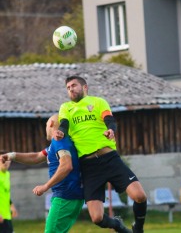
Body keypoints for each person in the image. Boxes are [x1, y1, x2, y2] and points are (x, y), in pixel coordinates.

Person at [54, 76, 147, 233]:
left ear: (85, 87)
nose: (71, 89)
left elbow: (109, 119)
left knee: (139, 196)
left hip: (110, 159)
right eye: (68, 87)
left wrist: (111, 129)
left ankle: (138, 228)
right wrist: (60, 132)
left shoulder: (98, 102)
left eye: (74, 85)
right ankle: (118, 225)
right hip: (89, 166)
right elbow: (64, 124)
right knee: (97, 218)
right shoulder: (65, 107)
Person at [0, 114, 84, 233]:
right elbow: (37, 156)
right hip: (73, 196)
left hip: (65, 195)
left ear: (50, 124)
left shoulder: (58, 141)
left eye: (45, 125)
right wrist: (12, 155)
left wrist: (46, 186)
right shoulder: (61, 143)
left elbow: (66, 166)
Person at [0, 151, 18, 233]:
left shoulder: (7, 174)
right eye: (2, 160)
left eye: (6, 159)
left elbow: (5, 192)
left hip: (6, 214)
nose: (4, 162)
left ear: (10, 161)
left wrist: (12, 206)